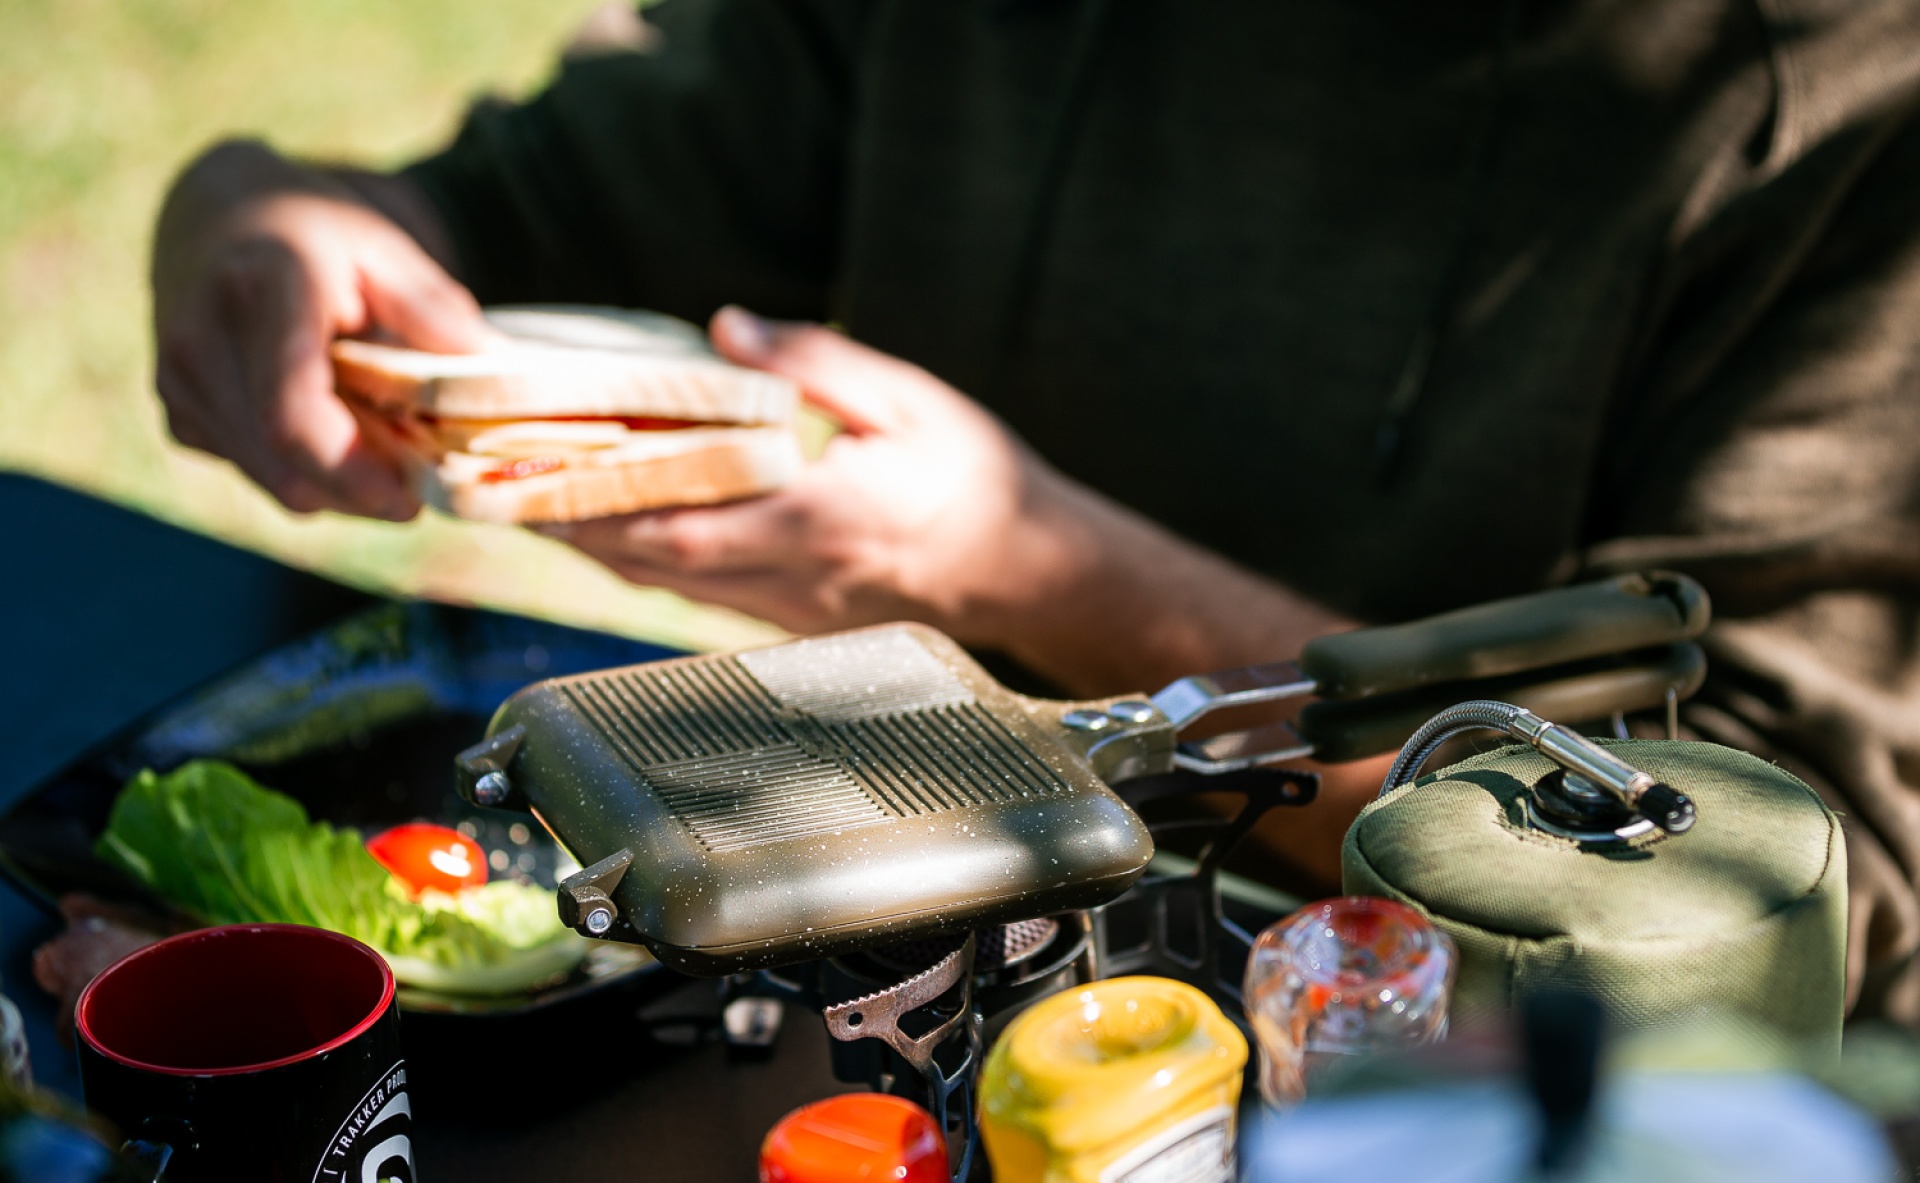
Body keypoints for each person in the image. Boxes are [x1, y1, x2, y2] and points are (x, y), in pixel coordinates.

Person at [151, 0, 1920, 1023]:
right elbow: (486, 219)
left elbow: (1807, 887)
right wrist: (266, 222)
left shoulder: (1838, 110)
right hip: (922, 1002)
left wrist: (1024, 567)